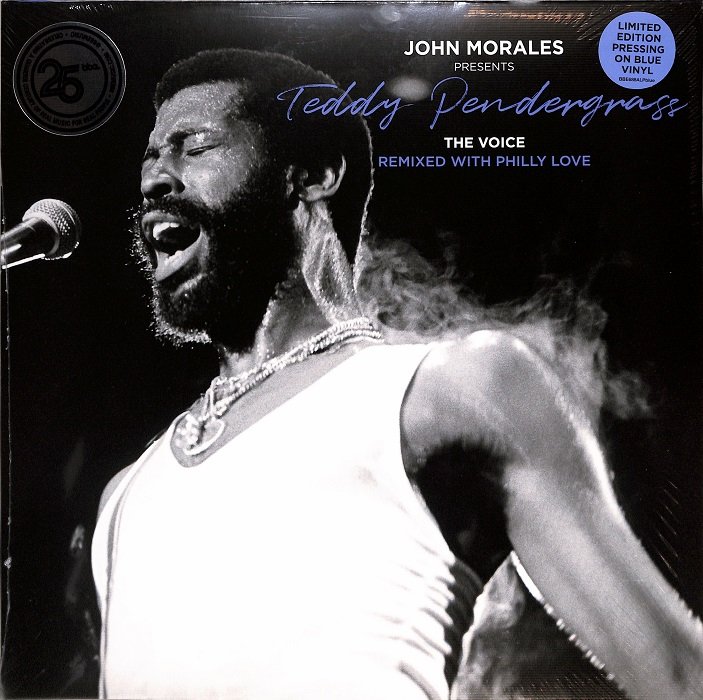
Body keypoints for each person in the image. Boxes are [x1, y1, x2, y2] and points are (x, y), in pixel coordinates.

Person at [92, 49, 703, 700]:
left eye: (194, 146)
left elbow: (678, 674)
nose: (154, 180)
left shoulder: (453, 388)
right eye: (150, 158)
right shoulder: (126, 493)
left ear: (314, 175)